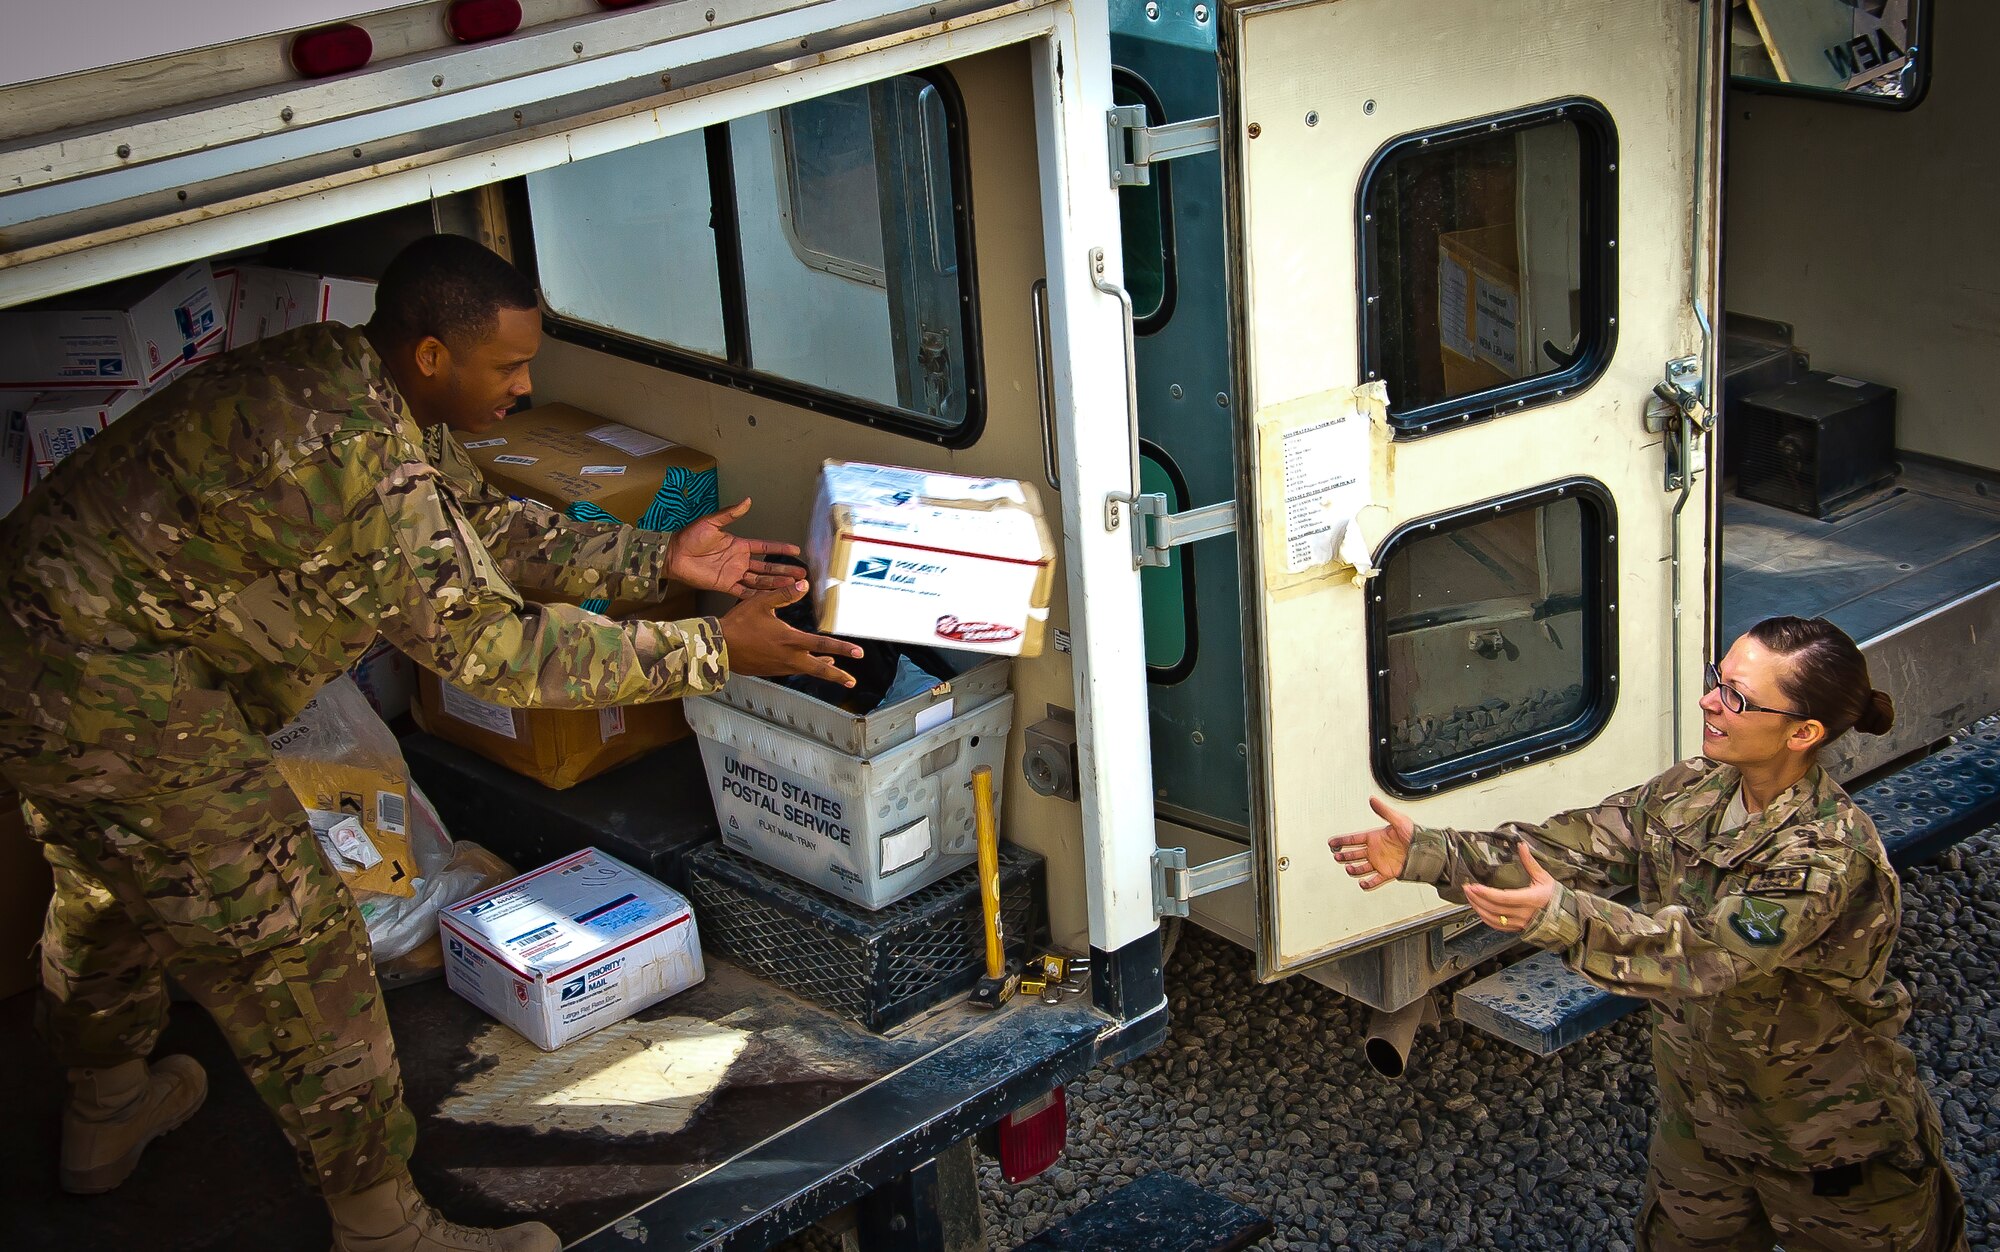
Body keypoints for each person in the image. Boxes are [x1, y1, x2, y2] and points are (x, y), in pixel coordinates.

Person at [0, 234, 862, 1252]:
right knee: (296, 945)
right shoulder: (349, 452)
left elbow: (481, 527)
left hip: (51, 647)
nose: (526, 383)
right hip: (103, 684)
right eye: (507, 366)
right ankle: (381, 1228)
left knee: (107, 877)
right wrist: (710, 651)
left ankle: (106, 1106)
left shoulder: (354, 378)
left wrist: (653, 556)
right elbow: (491, 651)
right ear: (429, 355)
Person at [1329, 617, 1967, 1252]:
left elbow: (1706, 956)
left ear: (1803, 732)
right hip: (1704, 1123)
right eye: (1719, 677)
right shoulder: (1693, 789)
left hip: (1829, 1143)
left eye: (1737, 697)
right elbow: (1562, 849)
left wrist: (1563, 918)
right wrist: (1429, 853)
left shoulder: (1825, 855)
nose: (1709, 700)